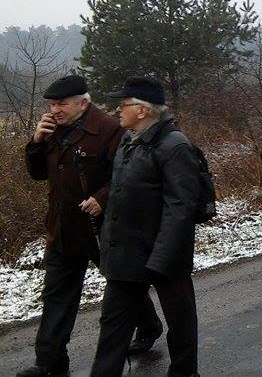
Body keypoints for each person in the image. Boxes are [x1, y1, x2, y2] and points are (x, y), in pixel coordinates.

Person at [18, 76, 161, 377]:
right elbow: (38, 174)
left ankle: (149, 326)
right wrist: (35, 143)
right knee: (57, 296)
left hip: (102, 228)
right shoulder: (52, 130)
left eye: (62, 104)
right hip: (63, 227)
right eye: (52, 104)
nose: (55, 110)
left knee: (121, 284)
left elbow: (127, 173)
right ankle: (49, 362)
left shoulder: (110, 129)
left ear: (82, 103)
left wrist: (101, 198)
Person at [91, 76, 200, 377]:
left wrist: (162, 259)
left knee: (180, 321)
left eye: (123, 104)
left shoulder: (174, 146)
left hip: (164, 253)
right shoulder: (128, 140)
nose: (118, 110)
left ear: (142, 110)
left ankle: (185, 373)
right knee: (112, 326)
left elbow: (180, 208)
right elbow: (120, 193)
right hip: (127, 251)